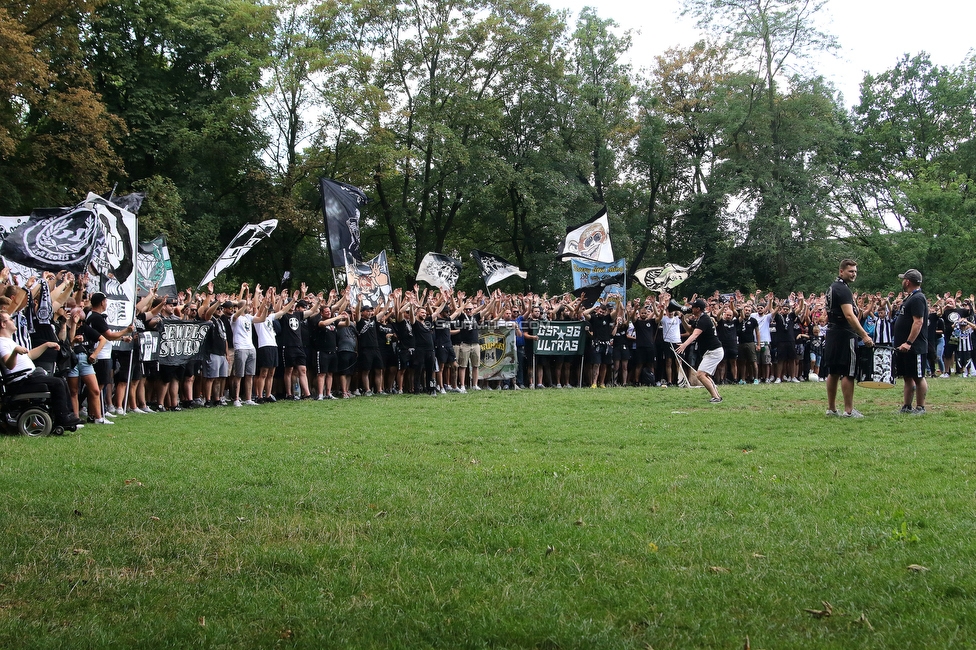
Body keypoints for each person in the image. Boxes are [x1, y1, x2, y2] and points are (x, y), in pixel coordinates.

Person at [0, 310, 84, 429]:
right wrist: (15, 352)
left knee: (60, 380)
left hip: (28, 377)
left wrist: (46, 345)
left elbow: (29, 355)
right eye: (10, 319)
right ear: (3, 324)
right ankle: (63, 418)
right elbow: (9, 365)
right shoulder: (2, 343)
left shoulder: (9, 341)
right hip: (20, 382)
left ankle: (68, 415)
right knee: (58, 383)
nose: (13, 321)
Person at [822, 259, 874, 418]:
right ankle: (849, 411)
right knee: (848, 372)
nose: (854, 274)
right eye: (851, 271)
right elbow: (849, 315)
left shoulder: (833, 287)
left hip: (833, 333)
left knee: (834, 371)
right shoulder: (843, 289)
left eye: (855, 272)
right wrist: (864, 335)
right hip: (845, 334)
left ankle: (831, 409)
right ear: (841, 271)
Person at [893, 269, 928, 415]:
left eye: (903, 279)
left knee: (918, 377)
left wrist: (908, 342)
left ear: (907, 281)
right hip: (903, 347)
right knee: (907, 377)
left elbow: (918, 322)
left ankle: (920, 407)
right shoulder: (910, 298)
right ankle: (906, 406)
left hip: (914, 347)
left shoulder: (918, 298)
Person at [675, 298, 723, 403]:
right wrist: (683, 319)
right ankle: (717, 396)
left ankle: (716, 397)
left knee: (700, 374)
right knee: (704, 375)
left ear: (698, 309)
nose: (691, 308)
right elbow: (689, 330)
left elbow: (695, 334)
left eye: (693, 307)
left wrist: (684, 345)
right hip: (712, 351)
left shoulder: (704, 319)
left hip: (714, 351)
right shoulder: (699, 319)